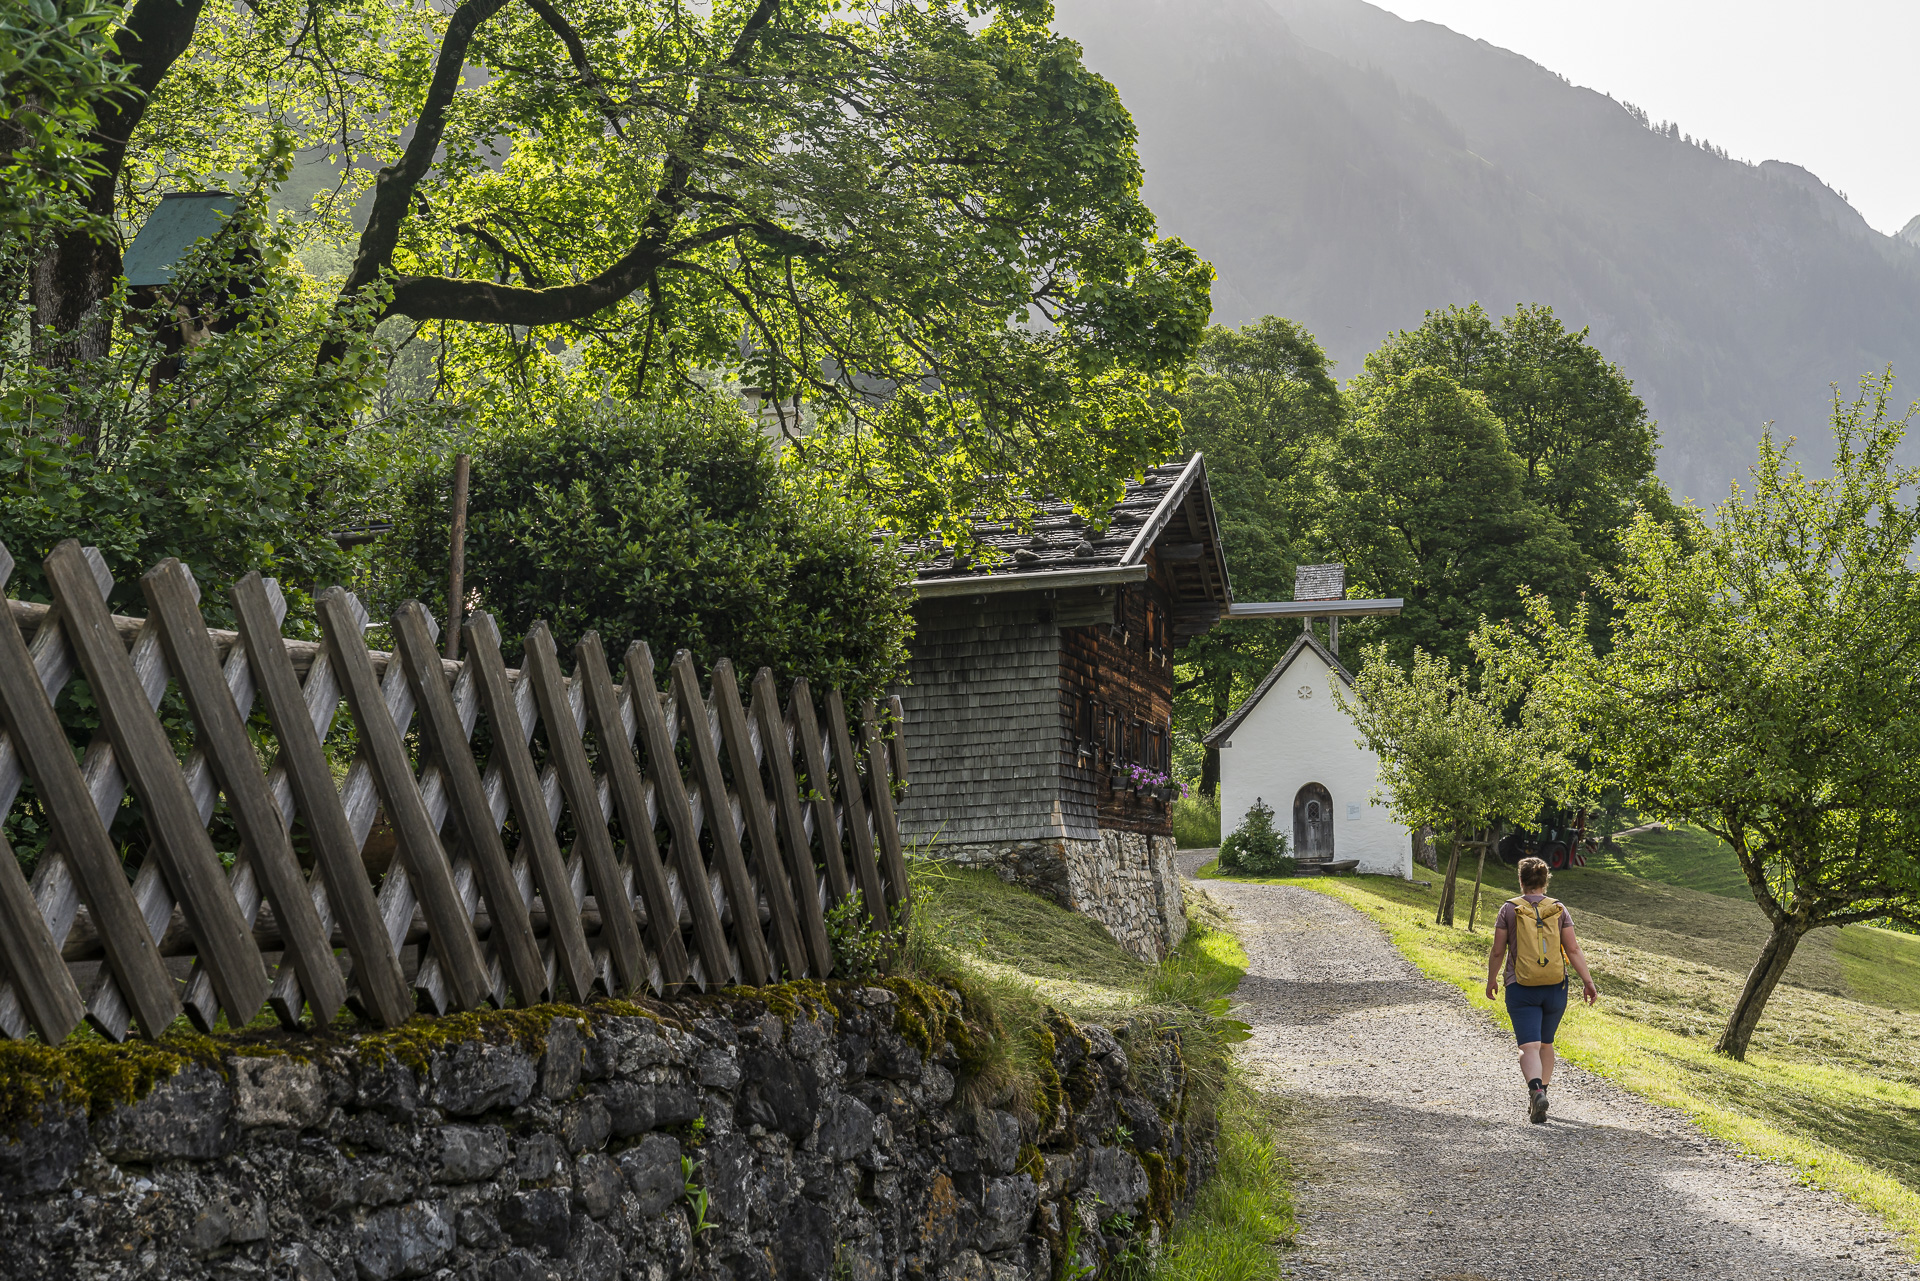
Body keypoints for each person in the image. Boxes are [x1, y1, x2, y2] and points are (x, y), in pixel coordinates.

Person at [1484, 856, 1598, 1123]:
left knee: (1529, 1046)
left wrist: (1491, 979)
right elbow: (1572, 949)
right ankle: (1542, 1093)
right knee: (1546, 1044)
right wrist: (1588, 982)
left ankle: (1535, 1091)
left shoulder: (1509, 909)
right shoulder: (1559, 909)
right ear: (1545, 881)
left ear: (1521, 880)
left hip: (1520, 987)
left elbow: (1498, 950)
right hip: (1555, 988)